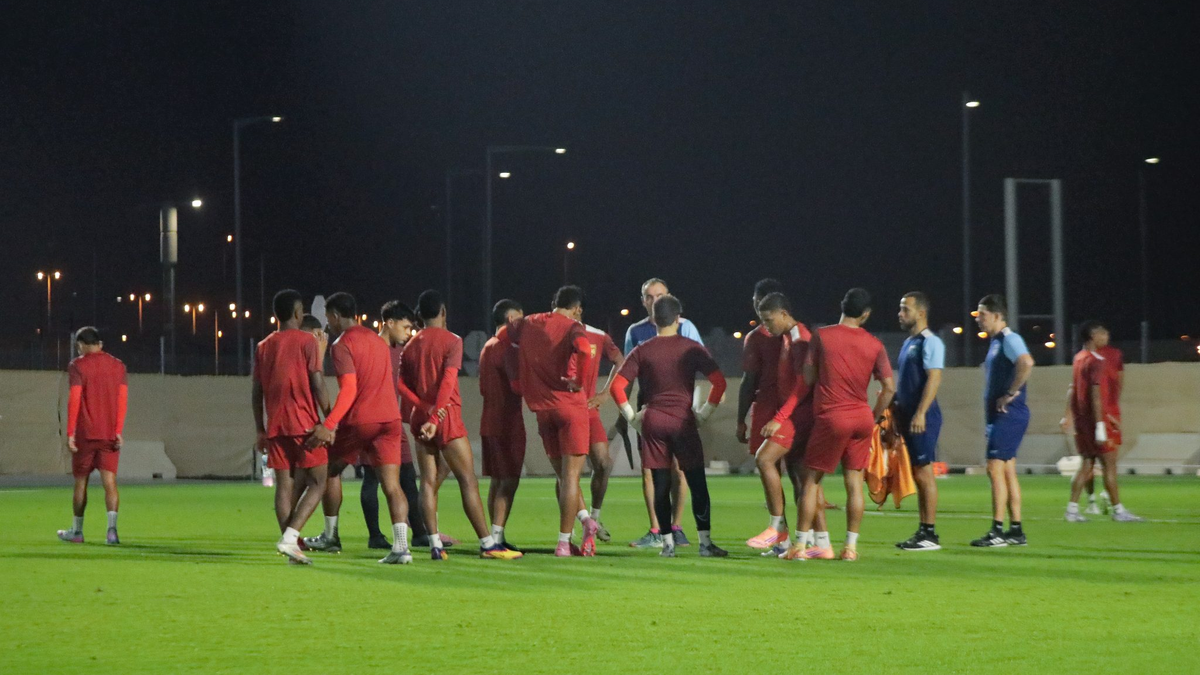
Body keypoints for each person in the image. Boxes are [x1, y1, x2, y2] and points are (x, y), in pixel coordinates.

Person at [400, 290, 520, 560]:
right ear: (443, 312)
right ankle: (488, 544)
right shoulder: (452, 340)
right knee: (468, 480)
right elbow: (448, 382)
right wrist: (435, 415)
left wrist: (422, 408)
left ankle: (434, 544)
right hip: (446, 416)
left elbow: (400, 385)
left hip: (421, 418)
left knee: (428, 483)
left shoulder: (410, 345)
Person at [610, 294, 729, 558]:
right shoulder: (691, 347)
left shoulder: (642, 349)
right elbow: (720, 383)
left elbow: (617, 387)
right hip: (682, 421)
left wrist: (632, 418)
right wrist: (704, 414)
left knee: (660, 482)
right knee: (696, 481)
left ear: (653, 319)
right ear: (678, 318)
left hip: (653, 421)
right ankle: (705, 544)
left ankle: (667, 545)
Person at [785, 288, 895, 562]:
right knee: (854, 482)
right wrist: (874, 415)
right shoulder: (875, 344)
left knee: (810, 481)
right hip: (861, 417)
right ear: (866, 314)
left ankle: (799, 547)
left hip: (833, 416)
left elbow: (808, 377)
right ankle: (850, 548)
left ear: (842, 307)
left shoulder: (823, 335)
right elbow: (889, 388)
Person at [304, 292, 414, 564]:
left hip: (362, 420)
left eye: (328, 317)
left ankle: (330, 537)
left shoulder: (341, 345)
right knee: (392, 486)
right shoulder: (378, 343)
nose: (327, 323)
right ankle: (401, 549)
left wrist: (329, 424)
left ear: (336, 315)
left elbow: (350, 389)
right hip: (390, 420)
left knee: (328, 471)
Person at [496, 285, 600, 557]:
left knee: (563, 477)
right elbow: (584, 350)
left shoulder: (530, 321)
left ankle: (587, 521)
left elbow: (503, 336)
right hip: (570, 408)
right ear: (576, 308)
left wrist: (521, 372)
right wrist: (578, 382)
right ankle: (564, 543)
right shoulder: (573, 327)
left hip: (542, 410)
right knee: (570, 477)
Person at [748, 291, 831, 558]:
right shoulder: (786, 337)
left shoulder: (800, 340)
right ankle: (822, 543)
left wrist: (779, 418)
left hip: (800, 417)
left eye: (769, 320)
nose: (766, 326)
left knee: (764, 459)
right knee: (803, 482)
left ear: (784, 314)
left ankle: (777, 527)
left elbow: (803, 386)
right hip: (797, 415)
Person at [253, 290, 332, 565]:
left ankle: (291, 546)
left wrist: (260, 429)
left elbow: (256, 390)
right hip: (304, 424)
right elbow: (318, 383)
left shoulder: (263, 346)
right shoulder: (307, 342)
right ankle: (290, 538)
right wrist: (330, 418)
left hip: (276, 425)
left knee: (284, 486)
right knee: (318, 482)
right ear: (299, 313)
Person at [624, 277, 700, 548]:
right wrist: (628, 414)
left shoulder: (686, 327)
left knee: (678, 468)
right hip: (649, 407)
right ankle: (656, 530)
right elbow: (627, 375)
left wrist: (697, 409)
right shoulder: (635, 331)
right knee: (649, 470)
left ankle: (676, 527)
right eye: (649, 296)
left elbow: (700, 364)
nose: (655, 301)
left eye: (660, 295)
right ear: (643, 301)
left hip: (678, 408)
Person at [1061, 321, 1143, 523]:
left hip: (1083, 420)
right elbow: (1096, 395)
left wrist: (1073, 416)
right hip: (1099, 419)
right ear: (1091, 336)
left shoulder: (1078, 358)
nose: (1106, 336)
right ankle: (1118, 510)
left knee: (1087, 464)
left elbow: (1074, 389)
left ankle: (1072, 510)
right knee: (1109, 465)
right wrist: (1100, 425)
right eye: (1101, 333)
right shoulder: (1096, 360)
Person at [971, 294, 1034, 548]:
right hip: (1001, 416)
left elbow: (1026, 362)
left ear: (997, 316)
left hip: (1009, 415)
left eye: (982, 315)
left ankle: (997, 530)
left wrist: (1010, 393)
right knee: (1007, 471)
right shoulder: (996, 342)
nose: (979, 320)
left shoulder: (1010, 338)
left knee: (994, 468)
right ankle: (1016, 530)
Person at [57, 327, 127, 546]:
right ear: (100, 343)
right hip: (109, 435)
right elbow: (122, 400)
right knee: (110, 483)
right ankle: (112, 532)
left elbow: (74, 400)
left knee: (80, 483)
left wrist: (70, 433)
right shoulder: (118, 366)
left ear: (81, 344)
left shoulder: (78, 365)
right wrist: (118, 430)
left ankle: (77, 532)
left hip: (86, 435)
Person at [893, 292, 946, 551]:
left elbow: (934, 378)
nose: (900, 314)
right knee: (917, 473)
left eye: (905, 309)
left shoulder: (930, 342)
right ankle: (923, 531)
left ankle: (929, 534)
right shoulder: (909, 342)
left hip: (921, 418)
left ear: (921, 313)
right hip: (908, 415)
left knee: (924, 473)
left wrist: (921, 412)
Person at [479, 299, 526, 549]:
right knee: (509, 480)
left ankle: (495, 535)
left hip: (489, 420)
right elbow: (517, 386)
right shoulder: (507, 348)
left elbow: (482, 387)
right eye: (521, 318)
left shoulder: (487, 346)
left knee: (498, 480)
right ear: (510, 320)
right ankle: (497, 537)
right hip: (507, 423)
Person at [580, 319, 624, 543]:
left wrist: (606, 393)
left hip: (588, 410)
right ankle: (568, 532)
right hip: (564, 408)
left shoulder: (597, 335)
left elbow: (620, 361)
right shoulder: (553, 331)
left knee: (604, 463)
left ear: (577, 309)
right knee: (569, 470)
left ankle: (594, 519)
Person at [1084, 337, 1126, 514]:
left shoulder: (1088, 358)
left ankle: (1093, 502)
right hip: (1100, 416)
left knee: (1089, 463)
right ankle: (1111, 504)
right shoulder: (1091, 359)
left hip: (1097, 416)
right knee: (1102, 463)